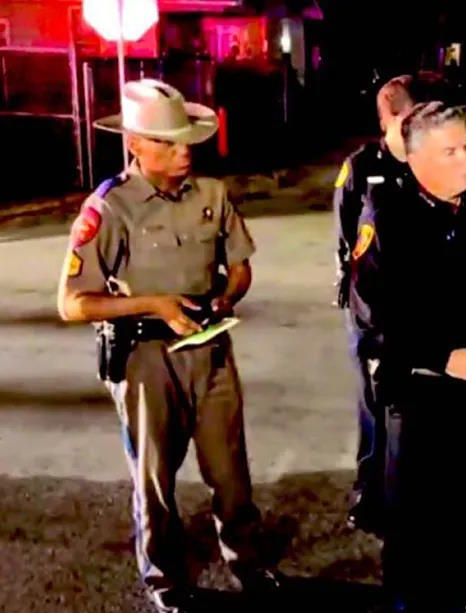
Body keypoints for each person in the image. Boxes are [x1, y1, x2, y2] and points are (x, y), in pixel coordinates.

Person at [56, 79, 279, 613]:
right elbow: (71, 302)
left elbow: (241, 266)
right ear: (135, 142)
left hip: (210, 348)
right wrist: (153, 305)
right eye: (168, 141)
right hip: (145, 358)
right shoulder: (109, 209)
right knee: (155, 479)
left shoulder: (212, 194)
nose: (184, 151)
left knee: (230, 472)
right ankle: (165, 578)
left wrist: (226, 297)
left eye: (186, 140)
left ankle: (248, 563)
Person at [350, 101, 466, 612]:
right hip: (419, 390)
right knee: (413, 511)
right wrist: (440, 354)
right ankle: (409, 596)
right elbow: (373, 314)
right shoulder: (388, 217)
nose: (464, 161)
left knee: (462, 498)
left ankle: (455, 589)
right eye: (449, 151)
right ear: (415, 159)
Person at [333, 75, 417, 532]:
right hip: (371, 309)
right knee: (374, 399)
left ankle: (408, 488)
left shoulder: (428, 163)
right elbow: (347, 239)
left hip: (420, 305)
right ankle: (370, 491)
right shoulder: (361, 167)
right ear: (394, 118)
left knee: (413, 401)